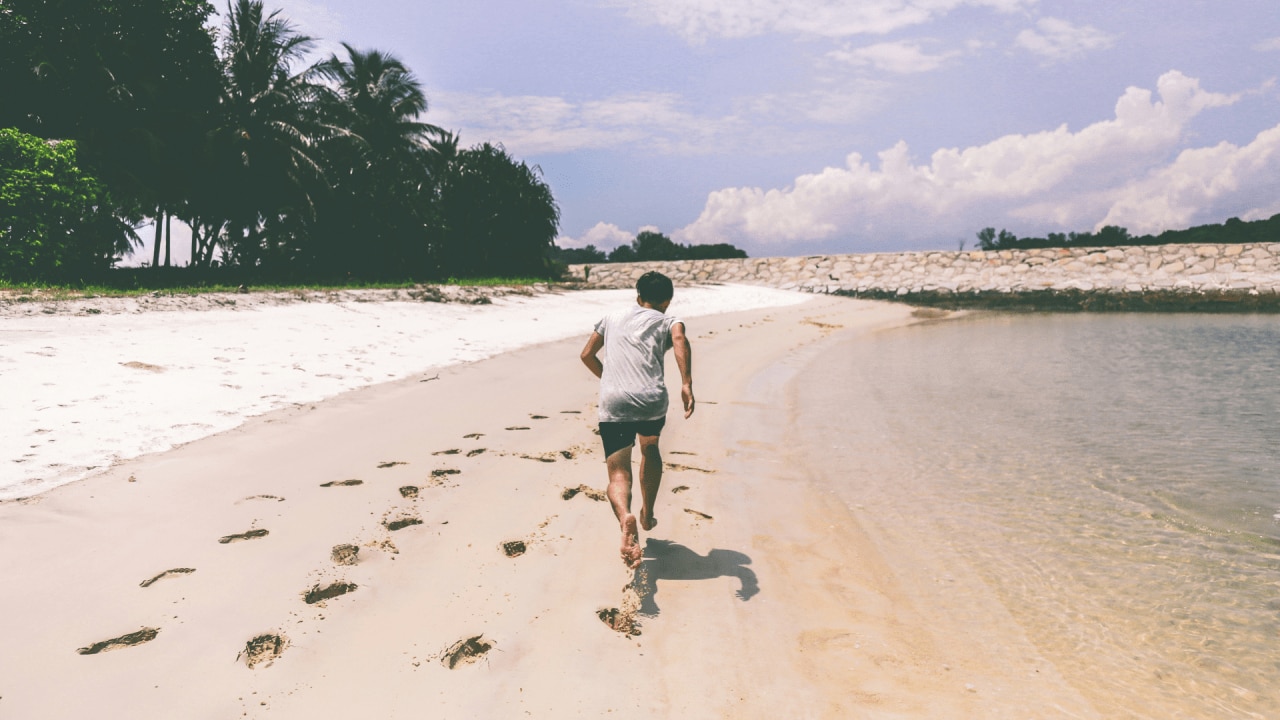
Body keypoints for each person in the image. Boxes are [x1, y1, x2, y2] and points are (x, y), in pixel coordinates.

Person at [580, 271, 694, 569]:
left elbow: (587, 354)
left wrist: (611, 381)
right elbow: (680, 338)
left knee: (618, 474)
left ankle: (624, 517)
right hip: (650, 400)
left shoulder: (612, 317)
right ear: (667, 301)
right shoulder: (669, 320)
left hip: (615, 402)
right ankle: (647, 514)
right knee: (650, 448)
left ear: (637, 296)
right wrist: (686, 383)